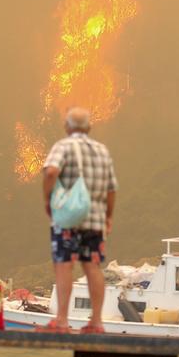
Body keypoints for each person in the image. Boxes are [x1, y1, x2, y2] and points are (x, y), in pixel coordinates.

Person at [41, 106, 117, 333]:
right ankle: (96, 321)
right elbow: (111, 189)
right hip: (95, 221)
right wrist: (108, 216)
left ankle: (62, 321)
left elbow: (52, 172)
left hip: (67, 219)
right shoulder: (102, 151)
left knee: (64, 265)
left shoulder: (63, 146)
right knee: (92, 266)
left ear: (67, 127)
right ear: (89, 127)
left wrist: (48, 199)